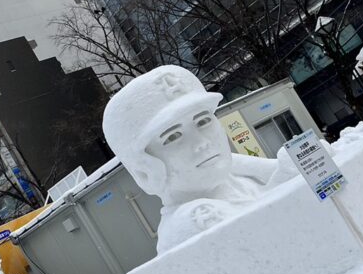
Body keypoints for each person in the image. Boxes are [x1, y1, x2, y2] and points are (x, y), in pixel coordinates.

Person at [102, 65, 297, 252]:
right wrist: (289, 178)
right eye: (173, 136)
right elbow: (279, 241)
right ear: (145, 170)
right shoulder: (190, 222)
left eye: (203, 121)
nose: (202, 142)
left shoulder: (242, 182)